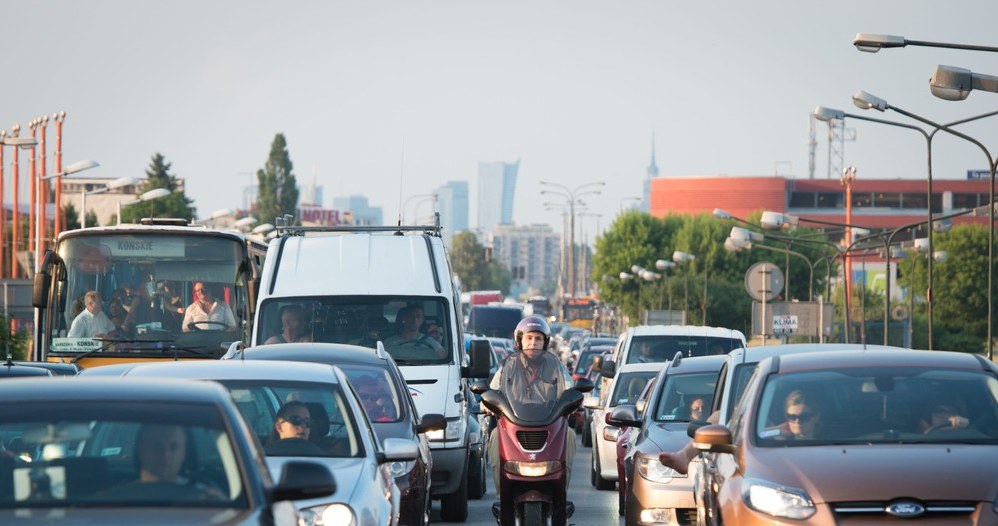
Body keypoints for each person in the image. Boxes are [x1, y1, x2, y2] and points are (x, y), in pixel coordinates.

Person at [487, 316, 575, 496]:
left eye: (538, 339)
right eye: (529, 338)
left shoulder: (556, 366)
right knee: (495, 436)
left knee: (571, 435)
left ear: (545, 342)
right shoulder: (507, 366)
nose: (533, 343)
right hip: (513, 426)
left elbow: (569, 389)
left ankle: (560, 492)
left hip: (550, 425)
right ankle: (502, 494)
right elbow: (493, 390)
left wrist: (573, 401)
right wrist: (487, 404)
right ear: (519, 341)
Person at [113, 424, 223, 501]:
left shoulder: (207, 500)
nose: (165, 454)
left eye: (174, 447)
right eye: (157, 447)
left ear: (185, 452)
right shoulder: (111, 501)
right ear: (141, 449)